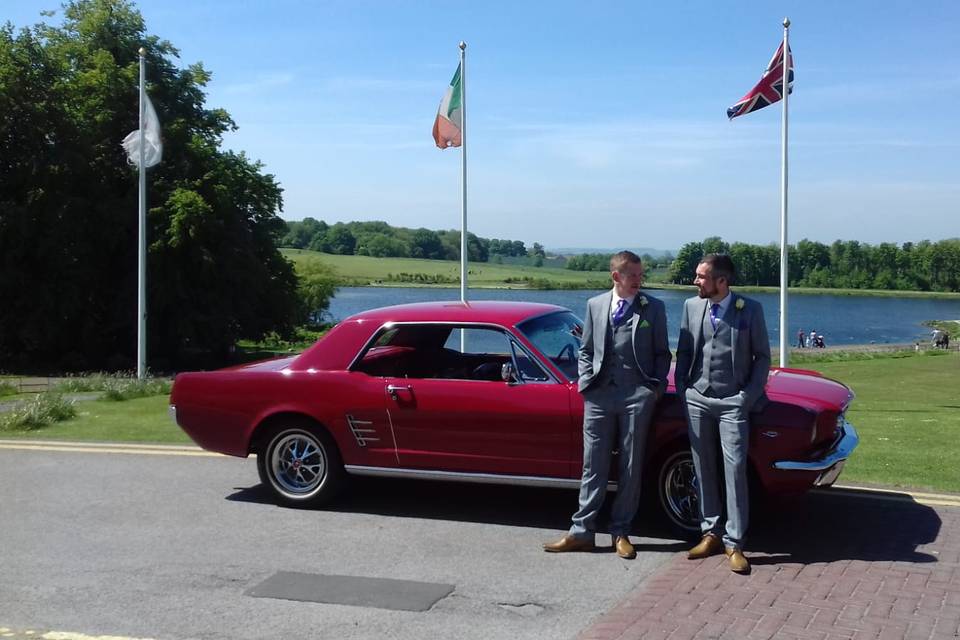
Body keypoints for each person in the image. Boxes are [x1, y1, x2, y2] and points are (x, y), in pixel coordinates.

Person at [543, 251, 671, 559]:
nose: (640, 280)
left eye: (641, 274)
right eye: (633, 276)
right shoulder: (595, 305)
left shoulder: (653, 308)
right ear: (616, 277)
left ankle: (621, 531)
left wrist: (652, 390)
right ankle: (582, 531)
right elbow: (586, 350)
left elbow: (662, 354)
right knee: (593, 464)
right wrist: (586, 383)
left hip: (636, 396)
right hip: (599, 396)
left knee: (630, 464)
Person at [674, 254, 770, 574]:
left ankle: (735, 542)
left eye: (701, 276)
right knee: (702, 467)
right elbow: (685, 351)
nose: (696, 281)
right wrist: (685, 389)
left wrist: (746, 397)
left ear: (722, 282)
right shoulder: (691, 307)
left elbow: (762, 358)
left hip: (734, 401)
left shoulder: (750, 309)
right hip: (698, 398)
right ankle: (710, 532)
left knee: (735, 469)